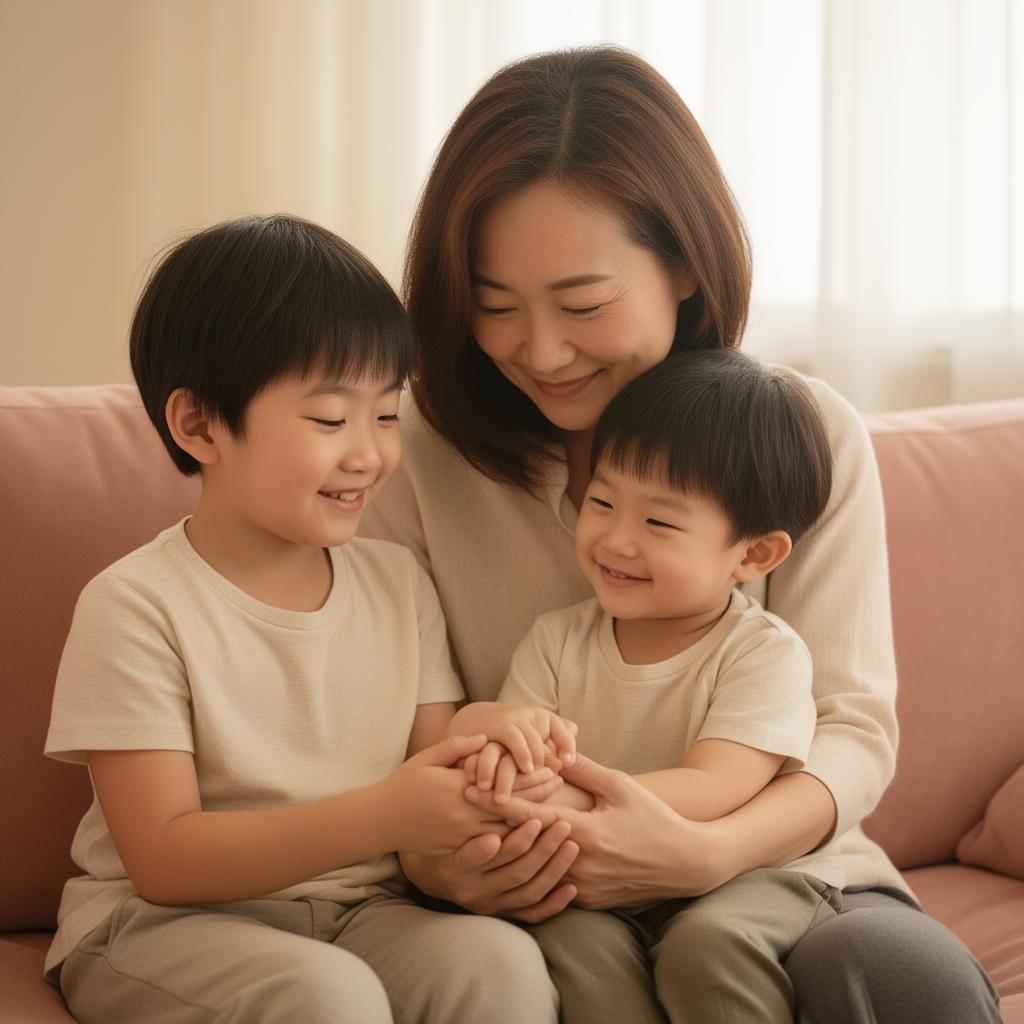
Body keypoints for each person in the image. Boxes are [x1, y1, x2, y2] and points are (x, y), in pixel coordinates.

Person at [359, 45, 1000, 1023]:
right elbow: (383, 733)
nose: (539, 349)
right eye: (495, 306)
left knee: (903, 982)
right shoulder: (407, 451)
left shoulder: (802, 431)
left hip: (780, 869)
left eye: (582, 303)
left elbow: (853, 727)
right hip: (535, 887)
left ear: (687, 271)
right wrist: (444, 866)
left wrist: (709, 848)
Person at [42, 214, 560, 1024]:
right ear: (199, 424)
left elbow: (436, 748)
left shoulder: (396, 582)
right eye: (329, 420)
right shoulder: (136, 605)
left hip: (360, 913)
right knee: (328, 999)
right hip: (161, 926)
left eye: (387, 416)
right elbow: (164, 859)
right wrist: (387, 812)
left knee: (497, 964)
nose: (369, 453)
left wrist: (496, 737)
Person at [452, 348, 843, 1022]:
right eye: (602, 502)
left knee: (710, 947)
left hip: (737, 879)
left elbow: (715, 786)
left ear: (753, 554)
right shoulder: (555, 639)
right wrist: (491, 738)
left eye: (659, 522)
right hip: (594, 881)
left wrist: (571, 798)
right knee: (572, 949)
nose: (616, 540)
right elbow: (513, 753)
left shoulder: (762, 653)